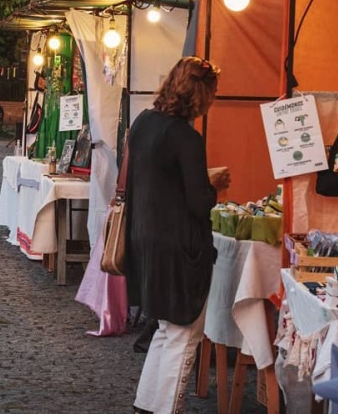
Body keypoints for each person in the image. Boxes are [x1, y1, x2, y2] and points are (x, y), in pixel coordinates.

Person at [125, 56, 231, 414]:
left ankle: (147, 403)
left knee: (166, 329)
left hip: (145, 238)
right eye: (213, 94)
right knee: (184, 334)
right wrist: (213, 184)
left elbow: (154, 180)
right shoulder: (186, 137)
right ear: (201, 94)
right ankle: (165, 407)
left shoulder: (143, 123)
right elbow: (199, 203)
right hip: (180, 246)